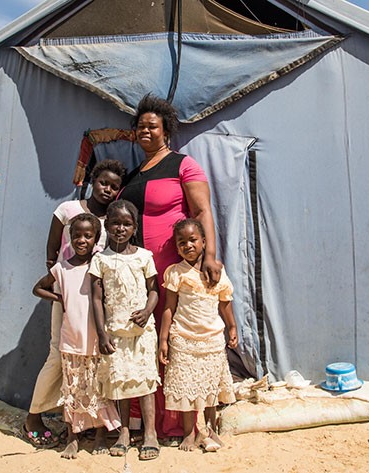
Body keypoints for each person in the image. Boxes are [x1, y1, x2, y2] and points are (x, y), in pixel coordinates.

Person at [116, 94, 223, 440]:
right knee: (142, 340)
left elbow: (202, 211)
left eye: (153, 126)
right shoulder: (132, 174)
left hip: (172, 271)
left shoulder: (183, 165)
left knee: (173, 342)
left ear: (166, 131)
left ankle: (177, 422)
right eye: (140, 126)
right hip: (136, 274)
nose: (145, 131)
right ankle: (141, 421)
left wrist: (209, 256)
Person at [24, 159, 126, 446]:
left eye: (114, 187)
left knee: (94, 359)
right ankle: (33, 415)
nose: (107, 190)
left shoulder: (112, 220)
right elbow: (51, 253)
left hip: (96, 298)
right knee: (58, 355)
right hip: (68, 293)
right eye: (104, 183)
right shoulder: (68, 210)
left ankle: (91, 420)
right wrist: (59, 292)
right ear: (93, 180)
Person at [32, 213, 122, 458]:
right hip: (71, 339)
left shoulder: (99, 265)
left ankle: (101, 436)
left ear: (96, 239)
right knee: (72, 389)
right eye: (77, 235)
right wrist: (59, 298)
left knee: (98, 389)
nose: (82, 240)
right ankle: (73, 437)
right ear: (69, 238)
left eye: (88, 236)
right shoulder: (61, 268)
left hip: (96, 338)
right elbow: (38, 288)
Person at [89, 200, 161, 461]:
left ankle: (150, 433)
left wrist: (147, 311)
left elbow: (154, 290)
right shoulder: (100, 260)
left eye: (127, 224)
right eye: (116, 223)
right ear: (106, 225)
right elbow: (96, 299)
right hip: (115, 331)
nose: (121, 228)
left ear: (135, 227)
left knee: (144, 382)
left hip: (141, 332)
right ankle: (123, 433)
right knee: (119, 382)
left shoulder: (144, 256)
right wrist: (101, 333)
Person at [158, 218, 237, 452]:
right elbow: (168, 308)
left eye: (193, 240)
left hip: (211, 339)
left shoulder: (216, 272)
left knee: (211, 388)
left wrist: (232, 327)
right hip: (183, 338)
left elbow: (225, 302)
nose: (188, 246)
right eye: (181, 242)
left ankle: (210, 429)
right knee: (186, 389)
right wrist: (163, 340)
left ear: (204, 241)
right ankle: (188, 432)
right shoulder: (175, 273)